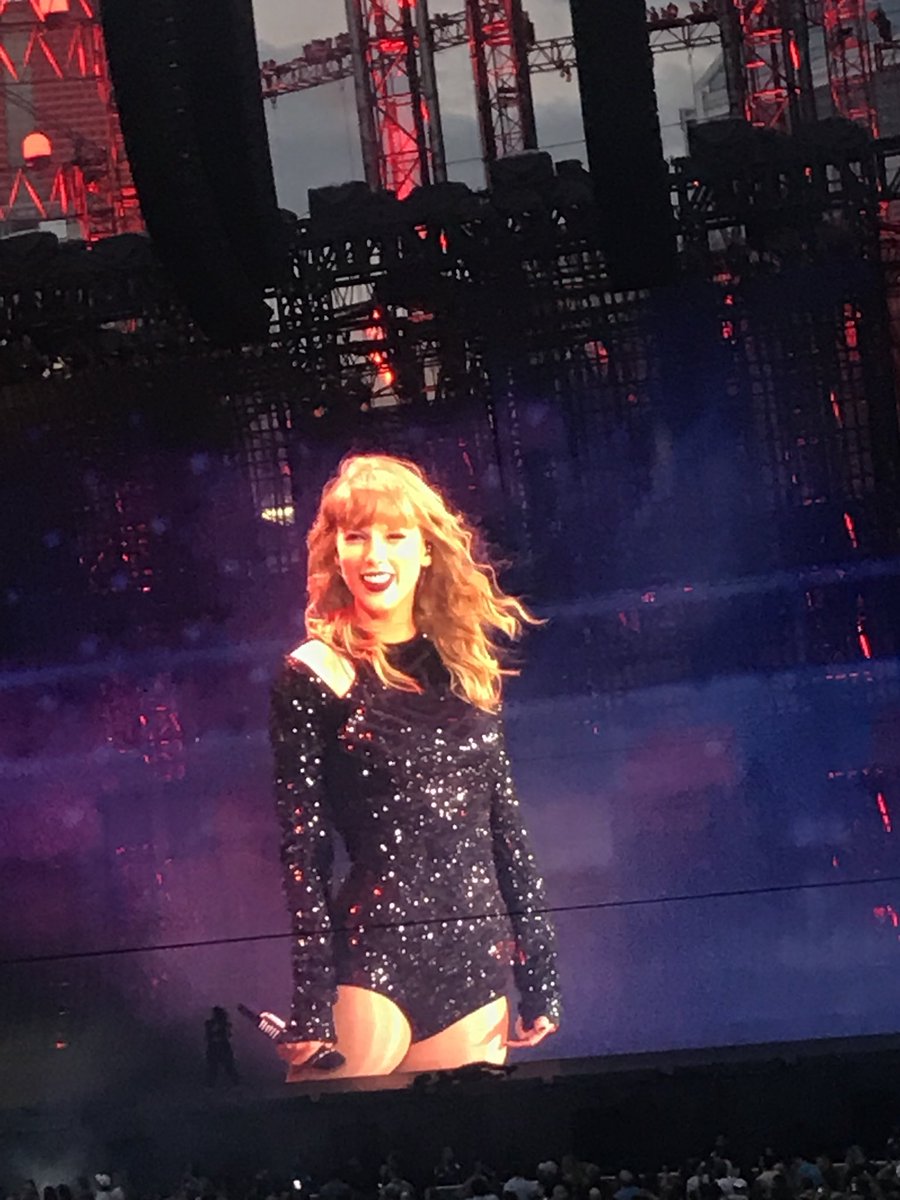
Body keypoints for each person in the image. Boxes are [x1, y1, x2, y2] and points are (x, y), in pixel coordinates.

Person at [269, 453, 561, 1081]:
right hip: (374, 960)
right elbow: (304, 850)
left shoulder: (467, 668)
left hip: (474, 970)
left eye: (394, 536)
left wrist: (539, 973)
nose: (374, 555)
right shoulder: (316, 672)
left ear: (426, 549)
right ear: (335, 551)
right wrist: (311, 1004)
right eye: (356, 536)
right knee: (334, 1137)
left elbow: (505, 829)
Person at [204, 1006, 239, 1085]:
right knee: (214, 1067)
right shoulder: (211, 1023)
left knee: (226, 1067)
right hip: (217, 1047)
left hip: (221, 1047)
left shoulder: (224, 1024)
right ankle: (211, 1084)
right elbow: (208, 1035)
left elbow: (228, 1035)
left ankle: (235, 1082)